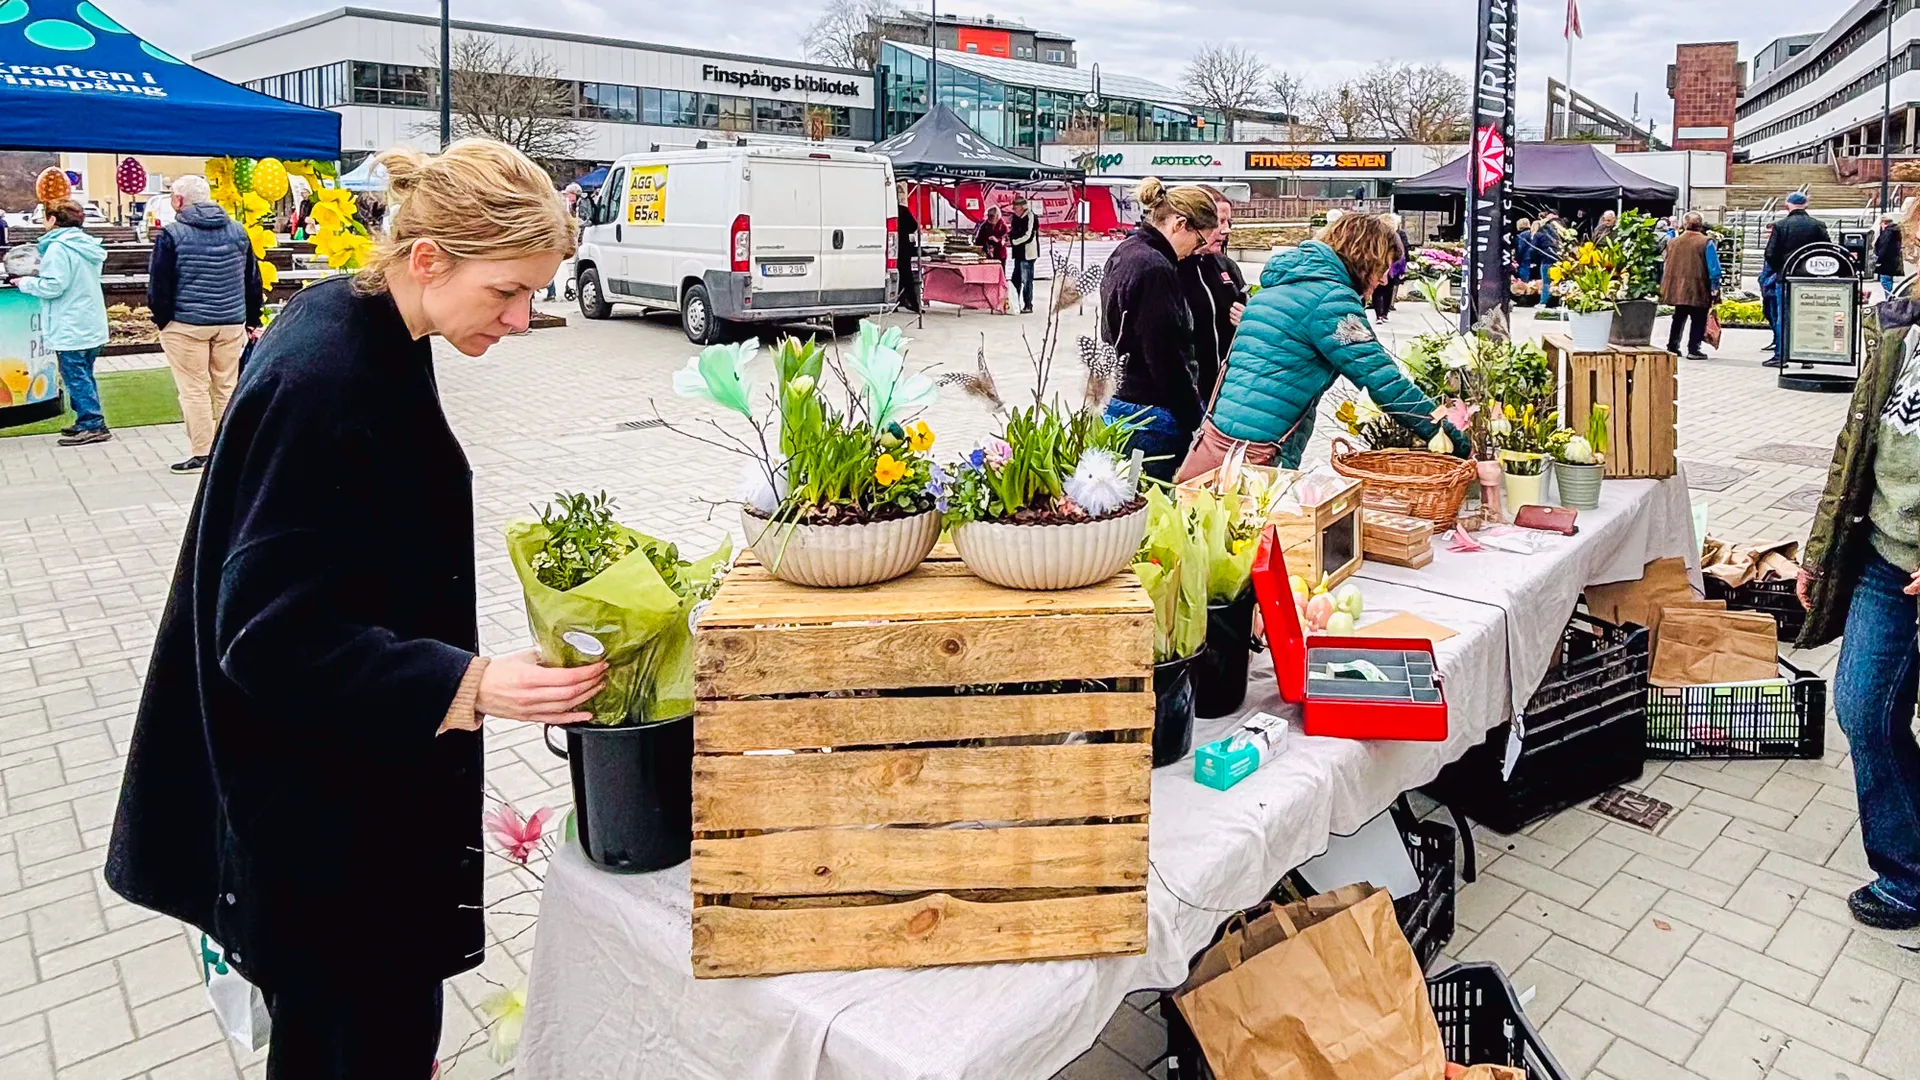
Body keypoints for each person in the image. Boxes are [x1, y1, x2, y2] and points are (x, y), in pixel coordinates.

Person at [106, 139, 602, 1080]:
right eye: (507, 292)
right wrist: (472, 683)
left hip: (350, 804)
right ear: (430, 259)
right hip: (324, 837)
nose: (522, 318)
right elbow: (267, 636)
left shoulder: (369, 325)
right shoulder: (328, 375)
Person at [1795, 290, 1920, 932]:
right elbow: (1854, 446)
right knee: (1863, 708)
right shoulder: (1902, 324)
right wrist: (1818, 552)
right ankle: (1907, 869)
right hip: (1884, 556)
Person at [1177, 212, 1468, 481]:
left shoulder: (1280, 285)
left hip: (1221, 434)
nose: (1384, 279)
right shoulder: (1331, 302)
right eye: (1383, 267)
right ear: (1364, 257)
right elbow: (1385, 382)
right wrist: (1452, 436)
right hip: (1260, 449)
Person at [1099, 178, 1216, 482]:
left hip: (1122, 399)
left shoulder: (1126, 251)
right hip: (1152, 412)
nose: (1196, 252)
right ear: (1180, 224)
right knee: (1153, 499)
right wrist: (1193, 419)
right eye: (1199, 242)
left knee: (1130, 496)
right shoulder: (1155, 268)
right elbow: (1165, 355)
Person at [148, 175, 263, 474]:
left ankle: (202, 452)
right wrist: (252, 319)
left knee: (194, 389)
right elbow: (252, 279)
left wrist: (162, 319)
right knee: (227, 386)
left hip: (186, 323)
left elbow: (160, 283)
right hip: (231, 321)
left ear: (179, 200)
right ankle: (230, 449)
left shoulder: (171, 234)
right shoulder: (238, 230)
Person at [10, 200, 109, 446]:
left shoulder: (58, 248)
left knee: (75, 375)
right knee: (84, 374)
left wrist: (25, 283)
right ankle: (88, 418)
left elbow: (54, 285)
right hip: (90, 320)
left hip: (69, 323)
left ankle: (92, 422)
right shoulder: (88, 246)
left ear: (53, 219)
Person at [1179, 185, 1248, 403]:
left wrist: (1249, 319)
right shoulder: (1167, 269)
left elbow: (1249, 314)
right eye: (1219, 222)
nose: (1226, 230)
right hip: (1185, 396)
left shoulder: (1226, 266)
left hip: (1227, 392)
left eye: (1229, 222)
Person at [1762, 192, 1831, 367]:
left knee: (1783, 317)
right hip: (1810, 278)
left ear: (1787, 206)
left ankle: (1780, 356)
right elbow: (1827, 250)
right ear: (1806, 205)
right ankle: (1806, 357)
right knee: (1808, 317)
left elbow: (1770, 253)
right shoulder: (1818, 225)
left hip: (1786, 277)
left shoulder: (1781, 226)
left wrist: (1780, 268)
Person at [1661, 212, 1721, 360]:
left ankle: (1672, 347)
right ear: (1700, 224)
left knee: (1678, 317)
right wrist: (1714, 287)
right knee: (1698, 319)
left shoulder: (1673, 242)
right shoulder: (1706, 242)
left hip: (1678, 288)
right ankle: (1693, 349)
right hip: (1699, 287)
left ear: (1684, 224)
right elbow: (1714, 268)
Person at [1371, 212, 1408, 323]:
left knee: (1379, 291)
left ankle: (1380, 314)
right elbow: (1401, 254)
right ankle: (1383, 314)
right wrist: (1401, 270)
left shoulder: (1374, 237)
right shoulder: (1395, 237)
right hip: (1390, 268)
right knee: (1387, 290)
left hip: (1381, 267)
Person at [1006, 195, 1040, 314]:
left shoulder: (1031, 216)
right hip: (1018, 253)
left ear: (1022, 207)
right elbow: (1013, 231)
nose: (1014, 209)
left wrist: (1014, 241)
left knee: (1026, 280)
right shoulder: (1015, 217)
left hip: (1028, 253)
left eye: (1016, 207)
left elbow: (1028, 235)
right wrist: (1010, 237)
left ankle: (1028, 304)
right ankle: (1015, 303)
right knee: (1016, 279)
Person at [896, 182, 921, 314]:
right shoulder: (903, 210)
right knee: (906, 276)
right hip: (903, 247)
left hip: (891, 247)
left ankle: (896, 301)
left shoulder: (884, 211)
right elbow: (914, 226)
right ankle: (912, 302)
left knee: (895, 275)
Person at [1874, 212, 1904, 299]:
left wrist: (1879, 260)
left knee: (1885, 281)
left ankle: (1889, 298)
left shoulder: (1888, 232)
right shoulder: (1896, 231)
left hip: (1886, 261)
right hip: (1893, 260)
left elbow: (1883, 247)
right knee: (1888, 280)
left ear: (1884, 223)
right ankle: (1889, 298)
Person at [972, 204, 1010, 269]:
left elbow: (1006, 240)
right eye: (989, 215)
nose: (990, 218)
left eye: (992, 216)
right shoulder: (985, 225)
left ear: (997, 216)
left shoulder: (1003, 226)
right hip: (987, 253)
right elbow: (979, 239)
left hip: (999, 254)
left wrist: (997, 240)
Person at [1513, 217, 1535, 287]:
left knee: (1524, 279)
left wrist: (1516, 258)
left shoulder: (1522, 235)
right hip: (1533, 258)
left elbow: (1521, 248)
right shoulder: (1533, 233)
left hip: (1524, 259)